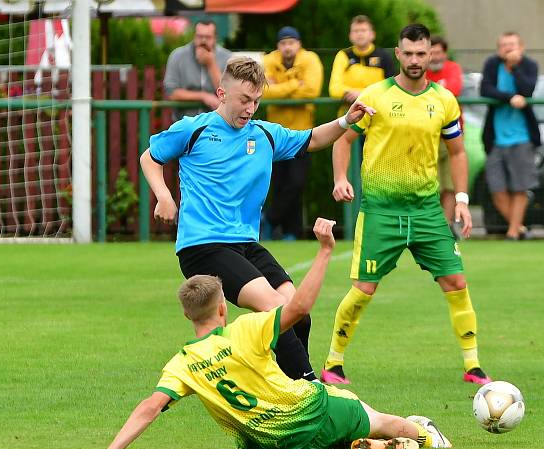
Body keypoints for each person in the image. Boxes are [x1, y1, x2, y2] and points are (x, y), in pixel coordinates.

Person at [85, 218, 451, 449]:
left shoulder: (183, 365)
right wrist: (324, 252)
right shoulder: (248, 328)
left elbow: (150, 408)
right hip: (311, 411)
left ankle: (369, 446)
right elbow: (300, 307)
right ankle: (428, 435)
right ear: (223, 308)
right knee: (383, 419)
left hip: (267, 442)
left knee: (332, 436)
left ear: (186, 314)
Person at [140, 57, 375, 383]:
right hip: (203, 245)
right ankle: (309, 388)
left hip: (245, 244)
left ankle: (283, 387)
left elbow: (312, 139)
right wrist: (164, 197)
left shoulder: (264, 134)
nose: (250, 108)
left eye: (256, 100)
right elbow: (149, 157)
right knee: (275, 311)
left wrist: (345, 121)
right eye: (244, 100)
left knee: (298, 312)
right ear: (222, 94)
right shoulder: (194, 129)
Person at [320, 24, 492, 387]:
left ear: (431, 54)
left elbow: (457, 152)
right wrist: (340, 178)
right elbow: (342, 140)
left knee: (456, 282)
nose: (415, 60)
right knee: (363, 290)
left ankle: (473, 366)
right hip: (381, 210)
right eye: (408, 53)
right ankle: (333, 364)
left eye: (421, 53)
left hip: (427, 210)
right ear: (397, 54)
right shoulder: (376, 96)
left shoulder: (444, 100)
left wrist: (461, 199)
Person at [261, 26, 324, 241]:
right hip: (274, 133)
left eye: (292, 42)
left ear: (299, 44)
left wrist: (280, 86)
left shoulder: (310, 59)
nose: (288, 47)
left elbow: (312, 90)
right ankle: (290, 233)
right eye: (283, 43)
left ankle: (269, 219)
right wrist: (295, 84)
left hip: (301, 133)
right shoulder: (268, 60)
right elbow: (263, 92)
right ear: (278, 46)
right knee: (277, 183)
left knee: (296, 183)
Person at [479, 32, 541, 240]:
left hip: (522, 136)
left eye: (512, 45)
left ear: (521, 47)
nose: (508, 48)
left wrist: (514, 68)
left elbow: (527, 89)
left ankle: (513, 232)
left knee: (520, 187)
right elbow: (485, 89)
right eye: (504, 45)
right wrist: (510, 97)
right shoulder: (492, 64)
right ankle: (520, 228)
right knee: (496, 189)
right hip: (495, 137)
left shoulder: (529, 65)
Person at [426, 36, 464, 222]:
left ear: (445, 53)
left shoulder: (453, 68)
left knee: (449, 185)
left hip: (450, 134)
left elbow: (454, 90)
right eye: (431, 53)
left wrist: (430, 93)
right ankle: (430, 224)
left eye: (438, 52)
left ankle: (446, 226)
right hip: (426, 134)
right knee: (430, 185)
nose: (434, 57)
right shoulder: (420, 70)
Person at [163, 19, 232, 121]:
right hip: (184, 122)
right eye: (200, 36)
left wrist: (211, 64)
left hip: (217, 123)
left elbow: (229, 93)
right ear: (194, 36)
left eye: (208, 37)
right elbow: (171, 92)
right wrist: (203, 96)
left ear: (215, 38)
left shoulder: (227, 57)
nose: (203, 41)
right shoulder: (178, 56)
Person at [329, 15, 397, 111]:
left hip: (378, 112)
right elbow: (334, 88)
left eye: (364, 30)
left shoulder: (384, 56)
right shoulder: (343, 55)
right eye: (356, 31)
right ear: (350, 36)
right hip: (349, 115)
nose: (359, 34)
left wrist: (362, 93)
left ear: (372, 34)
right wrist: (352, 92)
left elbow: (391, 88)